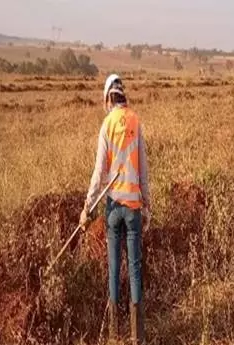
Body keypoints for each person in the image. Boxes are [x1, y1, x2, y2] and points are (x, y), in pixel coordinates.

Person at [80, 74, 151, 344]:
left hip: (113, 209)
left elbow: (99, 173)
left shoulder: (107, 124)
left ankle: (113, 334)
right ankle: (138, 337)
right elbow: (143, 167)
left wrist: (87, 207)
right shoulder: (135, 121)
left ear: (108, 97)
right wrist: (147, 203)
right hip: (133, 207)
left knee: (113, 268)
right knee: (134, 268)